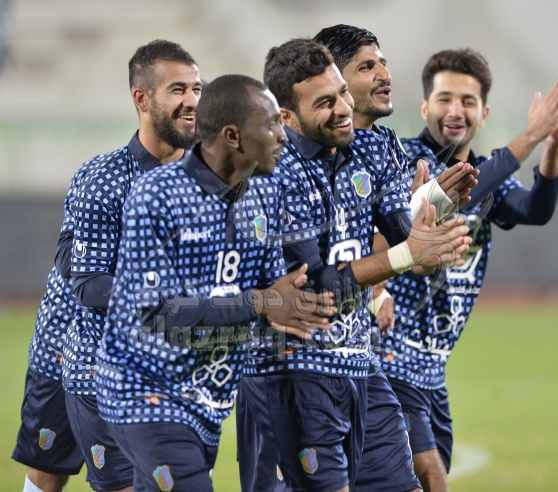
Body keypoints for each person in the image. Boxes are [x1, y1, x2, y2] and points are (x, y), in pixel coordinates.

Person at [239, 38, 474, 492]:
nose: (345, 108)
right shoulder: (274, 173)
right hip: (291, 372)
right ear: (286, 117)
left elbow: (408, 244)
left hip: (359, 364)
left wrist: (432, 213)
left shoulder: (368, 151)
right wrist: (409, 252)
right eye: (325, 102)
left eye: (343, 92)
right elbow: (313, 290)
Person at [95, 74, 336, 492]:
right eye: (271, 125)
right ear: (233, 136)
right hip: (144, 393)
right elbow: (158, 314)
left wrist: (399, 258)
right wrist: (261, 302)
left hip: (209, 401)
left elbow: (279, 292)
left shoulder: (264, 193)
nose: (283, 136)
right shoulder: (158, 195)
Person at [378, 49, 558, 491]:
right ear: (425, 107)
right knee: (431, 476)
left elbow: (534, 210)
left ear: (484, 113)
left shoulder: (487, 173)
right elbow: (454, 198)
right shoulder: (405, 161)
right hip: (389, 355)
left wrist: (551, 148)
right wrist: (529, 136)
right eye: (445, 99)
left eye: (468, 101)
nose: (455, 111)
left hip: (433, 368)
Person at [61, 39, 202, 492]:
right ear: (142, 99)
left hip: (184, 380)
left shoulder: (213, 178)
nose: (192, 100)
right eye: (178, 89)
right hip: (104, 376)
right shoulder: (105, 180)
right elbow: (87, 282)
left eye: (197, 89)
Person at [12, 166, 93, 492]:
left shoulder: (199, 179)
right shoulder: (101, 175)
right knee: (46, 470)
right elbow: (69, 261)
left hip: (139, 353)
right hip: (62, 342)